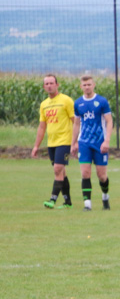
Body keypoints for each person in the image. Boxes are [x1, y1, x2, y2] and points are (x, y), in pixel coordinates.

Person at [32, 74, 75, 209]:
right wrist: (36, 146)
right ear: (44, 87)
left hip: (65, 141)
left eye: (52, 83)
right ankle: (68, 202)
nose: (49, 85)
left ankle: (52, 199)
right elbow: (42, 126)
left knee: (57, 169)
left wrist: (75, 142)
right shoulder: (44, 104)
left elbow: (76, 122)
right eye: (47, 84)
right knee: (61, 172)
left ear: (57, 85)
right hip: (52, 143)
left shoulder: (66, 101)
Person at [71, 75, 113, 211]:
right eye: (84, 85)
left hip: (100, 143)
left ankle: (105, 196)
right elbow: (76, 124)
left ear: (94, 85)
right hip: (84, 143)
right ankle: (87, 204)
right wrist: (73, 143)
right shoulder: (78, 103)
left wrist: (107, 141)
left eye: (89, 84)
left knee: (102, 175)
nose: (87, 87)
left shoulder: (101, 101)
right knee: (85, 173)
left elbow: (109, 121)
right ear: (81, 87)